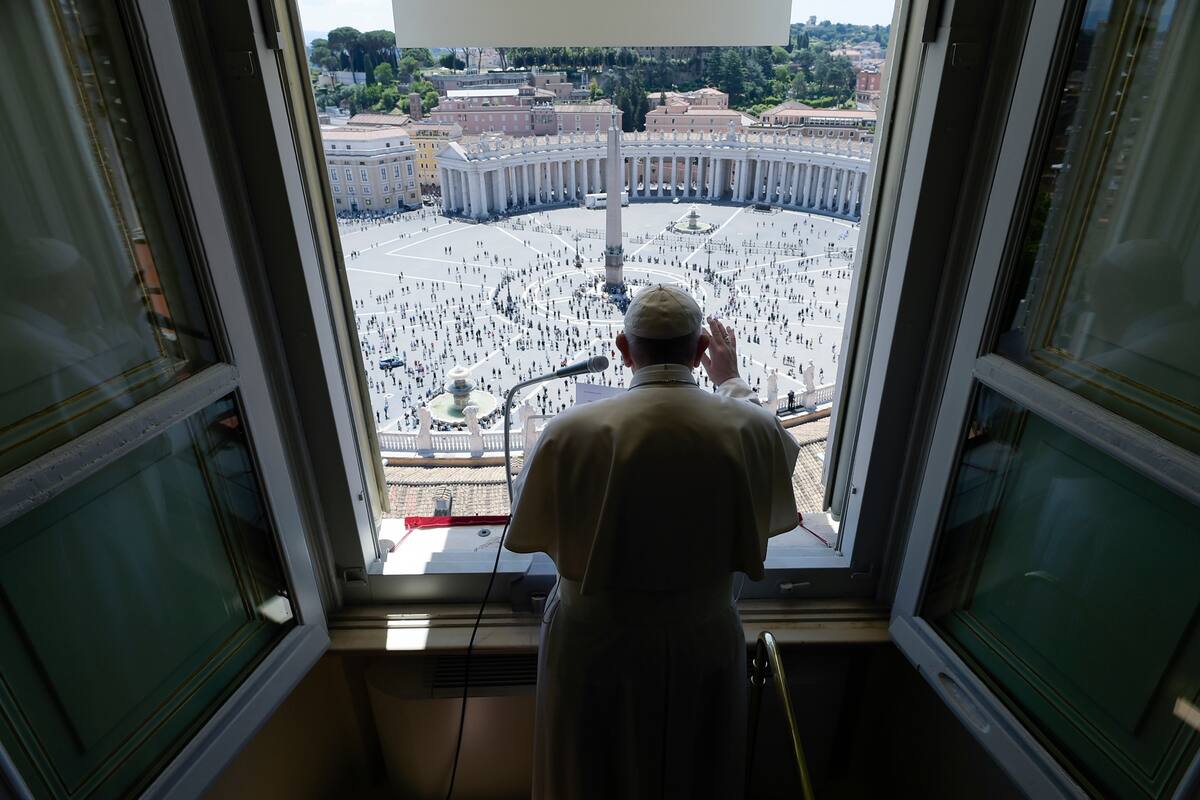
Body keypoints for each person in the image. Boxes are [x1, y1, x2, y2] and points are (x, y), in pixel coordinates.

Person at [506, 285, 801, 800]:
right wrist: (729, 382)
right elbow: (777, 453)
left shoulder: (567, 432)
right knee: (699, 772)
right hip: (701, 640)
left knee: (588, 772)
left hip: (593, 644)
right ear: (701, 349)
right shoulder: (749, 427)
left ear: (623, 349)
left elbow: (532, 526)